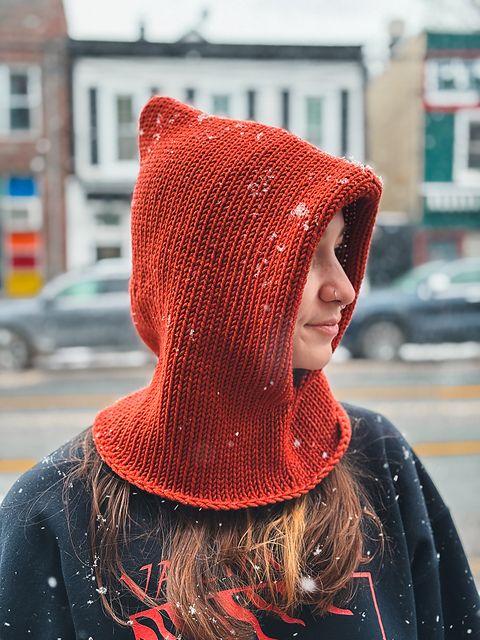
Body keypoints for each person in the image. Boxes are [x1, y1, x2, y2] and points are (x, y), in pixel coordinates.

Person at [0, 96, 479, 640]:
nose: (343, 289)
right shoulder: (58, 509)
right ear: (216, 282)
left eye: (340, 250)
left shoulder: (377, 459)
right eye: (307, 257)